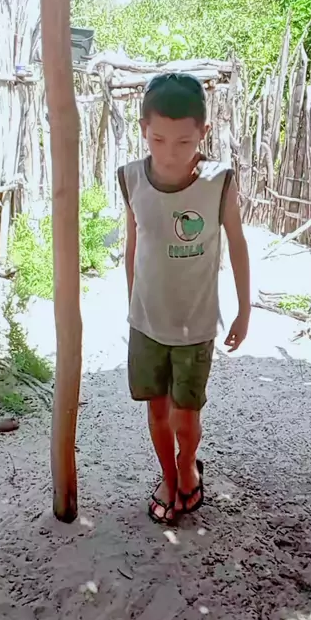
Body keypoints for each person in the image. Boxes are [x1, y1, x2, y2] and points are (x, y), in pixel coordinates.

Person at [118, 72, 251, 525]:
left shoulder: (218, 181)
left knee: (185, 417)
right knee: (157, 412)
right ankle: (169, 477)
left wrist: (244, 309)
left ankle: (188, 464)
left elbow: (237, 244)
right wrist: (133, 304)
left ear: (203, 133)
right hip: (147, 323)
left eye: (183, 142)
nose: (170, 153)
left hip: (195, 325)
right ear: (143, 129)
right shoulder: (131, 179)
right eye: (158, 139)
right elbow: (133, 246)